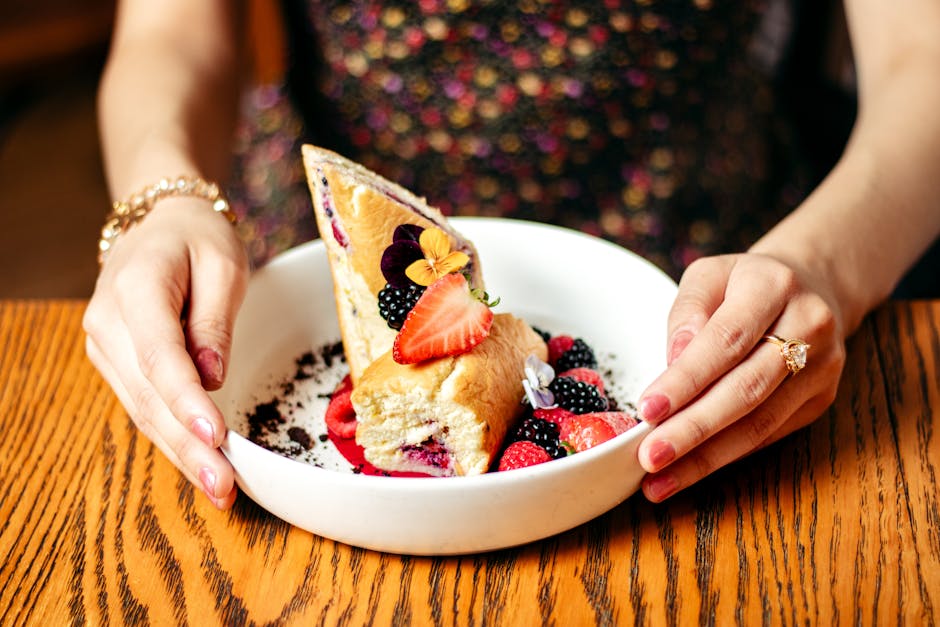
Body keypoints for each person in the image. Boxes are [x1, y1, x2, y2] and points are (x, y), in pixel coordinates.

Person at [84, 0, 940, 510]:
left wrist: (825, 263)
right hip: (318, 277)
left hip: (716, 303)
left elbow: (921, 58)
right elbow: (172, 37)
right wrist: (163, 199)